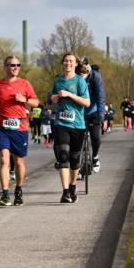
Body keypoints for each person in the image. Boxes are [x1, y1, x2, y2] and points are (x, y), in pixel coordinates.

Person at [0, 56, 39, 206]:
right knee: (4, 159)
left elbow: (36, 102)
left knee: (19, 161)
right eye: (12, 65)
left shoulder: (25, 84)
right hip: (2, 126)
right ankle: (5, 194)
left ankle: (18, 189)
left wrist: (23, 99)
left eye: (18, 65)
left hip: (19, 127)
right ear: (5, 67)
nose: (15, 67)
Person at [50, 53, 91, 203]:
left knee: (74, 159)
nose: (68, 63)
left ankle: (73, 186)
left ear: (75, 64)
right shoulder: (58, 80)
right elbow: (52, 98)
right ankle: (65, 191)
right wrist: (54, 98)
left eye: (71, 61)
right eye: (66, 61)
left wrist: (70, 95)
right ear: (63, 63)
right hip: (61, 123)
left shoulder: (80, 82)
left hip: (77, 125)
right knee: (63, 156)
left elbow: (87, 103)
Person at [80, 57, 106, 173]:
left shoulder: (95, 76)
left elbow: (100, 97)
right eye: (79, 66)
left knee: (96, 138)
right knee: (76, 141)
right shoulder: (74, 76)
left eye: (83, 65)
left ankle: (95, 157)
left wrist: (101, 117)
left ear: (87, 65)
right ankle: (78, 168)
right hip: (78, 113)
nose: (82, 69)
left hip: (93, 111)